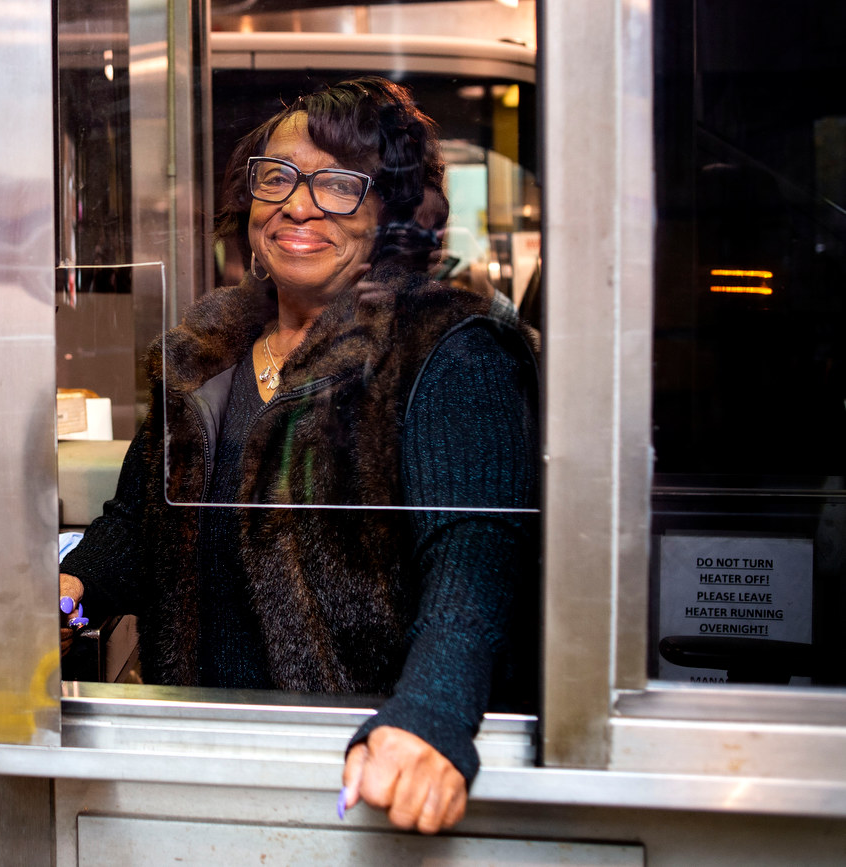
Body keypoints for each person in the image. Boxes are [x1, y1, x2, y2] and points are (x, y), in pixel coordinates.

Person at [58, 76, 539, 834]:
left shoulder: (447, 348)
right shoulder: (204, 358)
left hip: (360, 777)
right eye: (277, 177)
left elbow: (475, 553)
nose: (298, 203)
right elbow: (136, 526)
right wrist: (71, 586)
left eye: (340, 184)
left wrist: (430, 712)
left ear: (391, 212)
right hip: (192, 771)